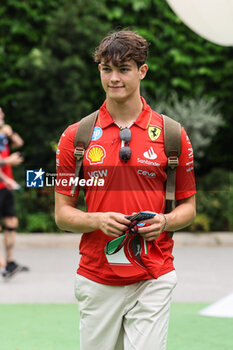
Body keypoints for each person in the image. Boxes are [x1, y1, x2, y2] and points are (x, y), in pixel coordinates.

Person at [55, 30, 196, 350]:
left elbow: (188, 208)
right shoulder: (76, 137)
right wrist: (97, 220)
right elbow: (63, 214)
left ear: (142, 71)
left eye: (124, 69)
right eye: (106, 69)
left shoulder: (173, 135)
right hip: (97, 278)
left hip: (154, 276)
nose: (114, 78)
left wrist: (165, 222)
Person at [0, 107, 29, 279]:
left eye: (3, 113)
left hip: (6, 187)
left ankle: (10, 263)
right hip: (4, 183)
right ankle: (3, 264)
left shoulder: (3, 133)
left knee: (11, 223)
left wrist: (10, 134)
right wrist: (7, 162)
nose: (3, 115)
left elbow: (19, 143)